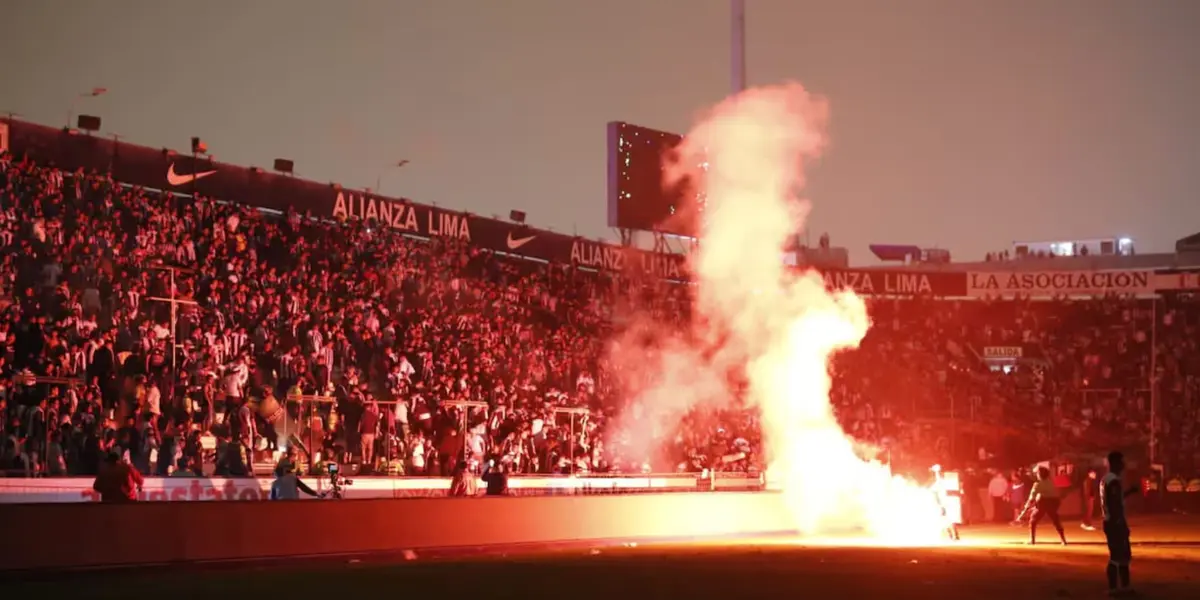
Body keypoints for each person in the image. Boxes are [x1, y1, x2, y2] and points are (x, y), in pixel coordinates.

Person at [1101, 451, 1136, 596]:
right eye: (1121, 461)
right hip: (1114, 522)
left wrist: (1128, 492)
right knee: (1117, 556)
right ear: (1115, 463)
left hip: (1111, 521)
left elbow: (1115, 499)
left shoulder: (1108, 479)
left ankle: (1123, 587)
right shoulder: (1113, 480)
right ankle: (1114, 588)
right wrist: (1120, 522)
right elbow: (1114, 503)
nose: (1124, 464)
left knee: (1123, 555)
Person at [1019, 466, 1067, 545]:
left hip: (1044, 502)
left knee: (1033, 521)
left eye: (1037, 473)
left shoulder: (1037, 484)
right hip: (1055, 502)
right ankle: (1063, 540)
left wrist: (1024, 510)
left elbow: (1031, 498)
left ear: (1039, 474)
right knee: (1056, 520)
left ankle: (1032, 540)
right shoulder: (1052, 482)